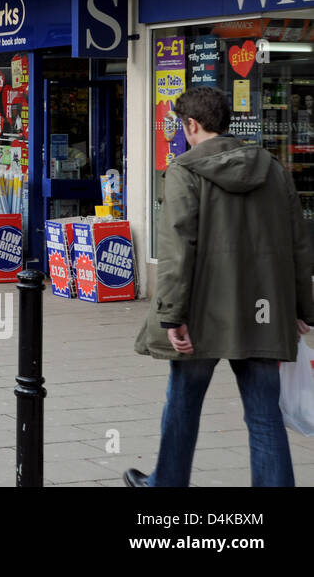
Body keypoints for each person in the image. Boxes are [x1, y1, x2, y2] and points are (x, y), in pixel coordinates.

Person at [125, 86, 314, 488]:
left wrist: (172, 315)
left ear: (192, 124)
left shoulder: (185, 170)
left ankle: (167, 484)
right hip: (263, 312)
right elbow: (299, 244)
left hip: (201, 316)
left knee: (183, 406)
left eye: (182, 126)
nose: (182, 134)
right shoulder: (273, 169)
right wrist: (301, 308)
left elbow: (177, 249)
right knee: (264, 415)